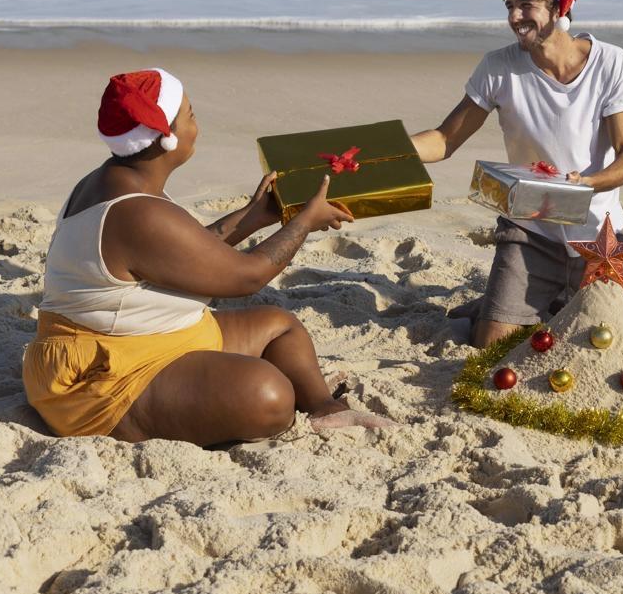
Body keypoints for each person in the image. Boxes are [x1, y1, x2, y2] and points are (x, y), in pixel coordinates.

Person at [23, 68, 394, 445]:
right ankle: (133, 420)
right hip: (106, 376)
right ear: (166, 138)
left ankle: (324, 408)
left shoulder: (119, 181)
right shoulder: (137, 213)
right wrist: (303, 222)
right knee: (270, 397)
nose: (196, 124)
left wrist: (254, 216)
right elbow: (246, 278)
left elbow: (185, 250)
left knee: (281, 327)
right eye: (190, 115)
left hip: (152, 337)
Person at [411, 0, 623, 348]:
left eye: (527, 5)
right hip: (530, 229)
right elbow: (445, 140)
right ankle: (508, 301)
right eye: (509, 5)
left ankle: (545, 297)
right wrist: (385, 151)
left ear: (560, 7)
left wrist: (585, 184)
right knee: (492, 345)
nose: (515, 16)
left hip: (601, 232)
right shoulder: (497, 67)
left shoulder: (612, 63)